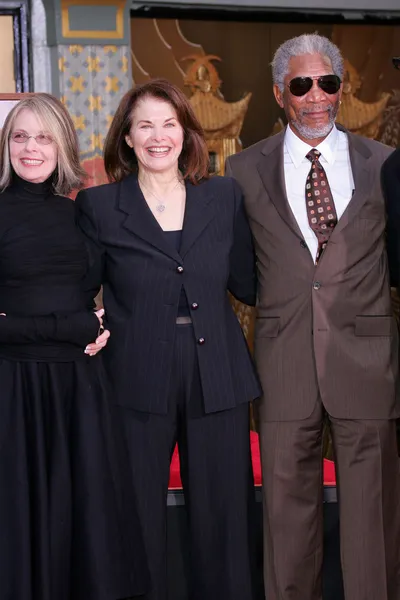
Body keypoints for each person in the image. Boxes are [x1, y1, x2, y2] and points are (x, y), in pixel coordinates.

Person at [226, 34, 400, 600]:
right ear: (281, 93)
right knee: (286, 522)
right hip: (283, 364)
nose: (317, 97)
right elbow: (239, 269)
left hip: (368, 362)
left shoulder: (385, 165)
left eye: (328, 83)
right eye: (302, 85)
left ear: (341, 90)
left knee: (373, 522)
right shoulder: (242, 170)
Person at [75, 78, 261, 600]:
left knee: (224, 516)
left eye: (169, 124)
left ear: (186, 132)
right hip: (135, 375)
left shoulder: (223, 195)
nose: (159, 137)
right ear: (127, 139)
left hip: (218, 371)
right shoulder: (100, 206)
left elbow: (249, 281)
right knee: (135, 513)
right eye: (145, 126)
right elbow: (79, 289)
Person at [0, 93, 148, 600]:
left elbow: (104, 294)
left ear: (62, 145)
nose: (31, 148)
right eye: (20, 136)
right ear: (5, 146)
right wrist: (72, 325)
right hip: (12, 393)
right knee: (18, 525)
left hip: (80, 392)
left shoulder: (83, 214)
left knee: (81, 528)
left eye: (43, 137)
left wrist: (102, 326)